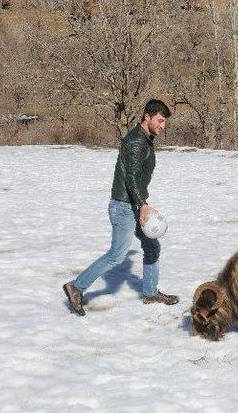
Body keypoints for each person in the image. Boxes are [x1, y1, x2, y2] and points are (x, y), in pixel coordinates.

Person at [63, 99, 179, 316]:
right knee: (117, 255)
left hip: (132, 204)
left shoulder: (144, 139)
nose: (163, 126)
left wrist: (141, 204)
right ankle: (76, 287)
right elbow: (132, 178)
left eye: (165, 122)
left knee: (152, 247)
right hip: (125, 207)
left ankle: (150, 292)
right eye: (160, 120)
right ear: (147, 116)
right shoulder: (136, 142)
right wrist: (142, 205)